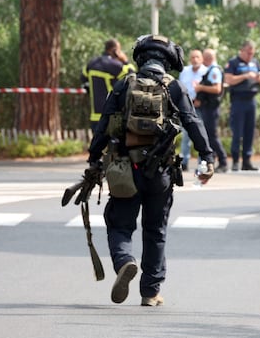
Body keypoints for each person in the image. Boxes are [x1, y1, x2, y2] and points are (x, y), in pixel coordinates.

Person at [84, 34, 215, 307]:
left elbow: (103, 127)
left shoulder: (123, 85)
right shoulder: (175, 88)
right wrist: (207, 157)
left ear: (140, 59)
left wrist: (94, 159)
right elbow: (193, 122)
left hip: (124, 170)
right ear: (168, 62)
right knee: (156, 230)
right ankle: (150, 292)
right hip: (161, 173)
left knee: (119, 224)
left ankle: (124, 261)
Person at [224, 40, 260, 171]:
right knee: (237, 132)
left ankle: (247, 161)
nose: (250, 55)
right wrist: (245, 76)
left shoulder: (255, 63)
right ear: (242, 51)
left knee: (250, 132)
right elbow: (228, 79)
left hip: (251, 100)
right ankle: (236, 161)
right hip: (238, 100)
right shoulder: (233, 63)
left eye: (252, 53)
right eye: (248, 53)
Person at [81, 38, 135, 132]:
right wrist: (125, 60)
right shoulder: (115, 65)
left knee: (97, 145)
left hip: (95, 116)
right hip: (113, 116)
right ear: (115, 50)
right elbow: (132, 74)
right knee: (116, 144)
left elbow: (83, 77)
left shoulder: (91, 63)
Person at [194, 48, 228, 173]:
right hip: (207, 107)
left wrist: (200, 87)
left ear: (207, 58)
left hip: (211, 108)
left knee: (212, 136)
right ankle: (211, 161)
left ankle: (223, 161)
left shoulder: (214, 71)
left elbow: (217, 89)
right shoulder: (210, 70)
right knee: (208, 135)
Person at [178, 49, 207, 170]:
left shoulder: (206, 71)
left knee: (201, 134)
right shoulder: (184, 71)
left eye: (197, 57)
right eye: (193, 57)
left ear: (202, 59)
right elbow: (180, 88)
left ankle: (203, 162)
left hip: (201, 108)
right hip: (186, 107)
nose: (195, 59)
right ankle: (184, 161)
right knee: (186, 136)